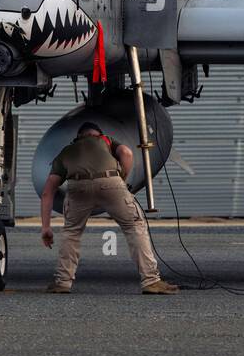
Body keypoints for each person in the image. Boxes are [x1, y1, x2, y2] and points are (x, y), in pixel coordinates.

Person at [39, 122, 177, 294]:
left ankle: (62, 283)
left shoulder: (67, 151)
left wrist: (46, 227)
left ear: (78, 137)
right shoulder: (105, 140)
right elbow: (126, 152)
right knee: (134, 227)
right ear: (98, 134)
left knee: (72, 232)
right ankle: (151, 281)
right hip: (110, 182)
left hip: (77, 186)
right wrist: (121, 180)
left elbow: (47, 191)